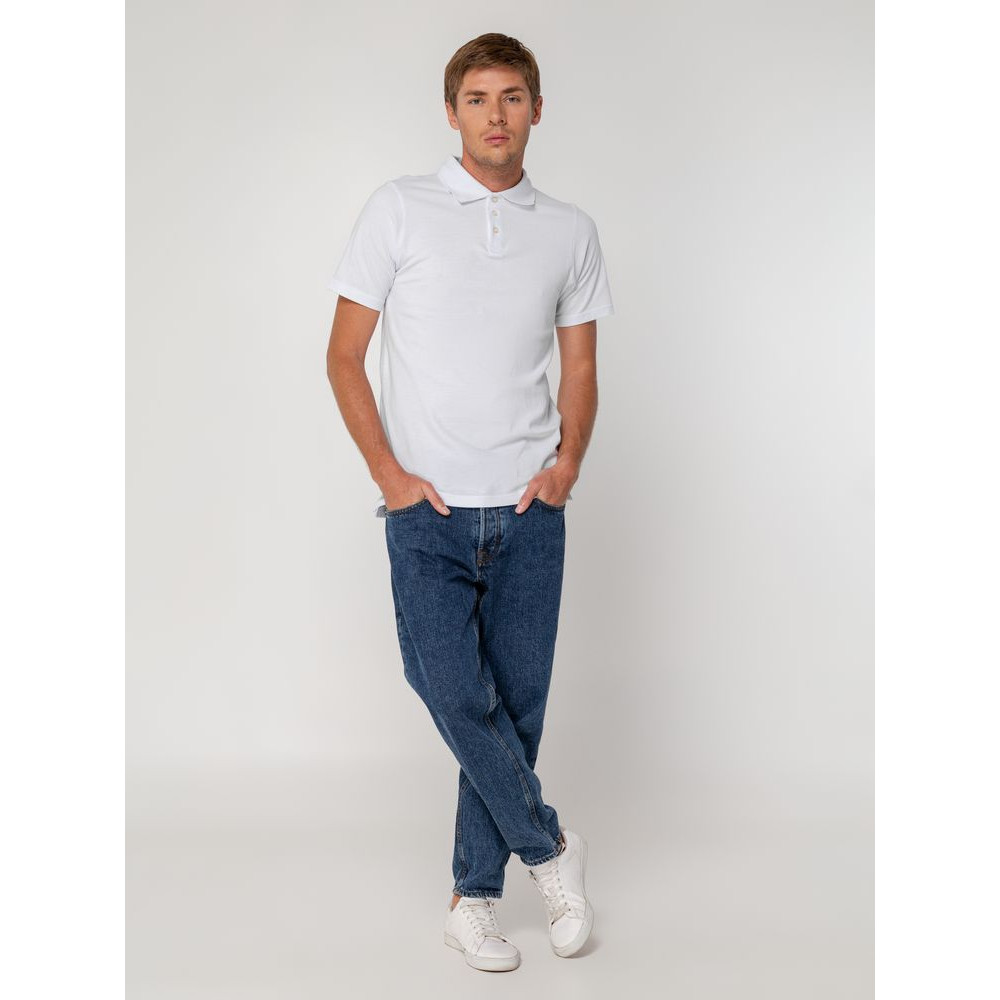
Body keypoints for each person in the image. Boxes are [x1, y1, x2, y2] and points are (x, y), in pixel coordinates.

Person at [325, 32, 614, 972]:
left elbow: (581, 367)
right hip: (429, 514)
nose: (497, 115)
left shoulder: (569, 230)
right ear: (451, 112)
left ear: (538, 110)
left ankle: (473, 899)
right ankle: (551, 848)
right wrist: (389, 476)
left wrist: (567, 466)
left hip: (530, 513)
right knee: (454, 692)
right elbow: (344, 355)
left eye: (513, 97)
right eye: (479, 98)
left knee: (512, 713)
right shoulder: (398, 209)